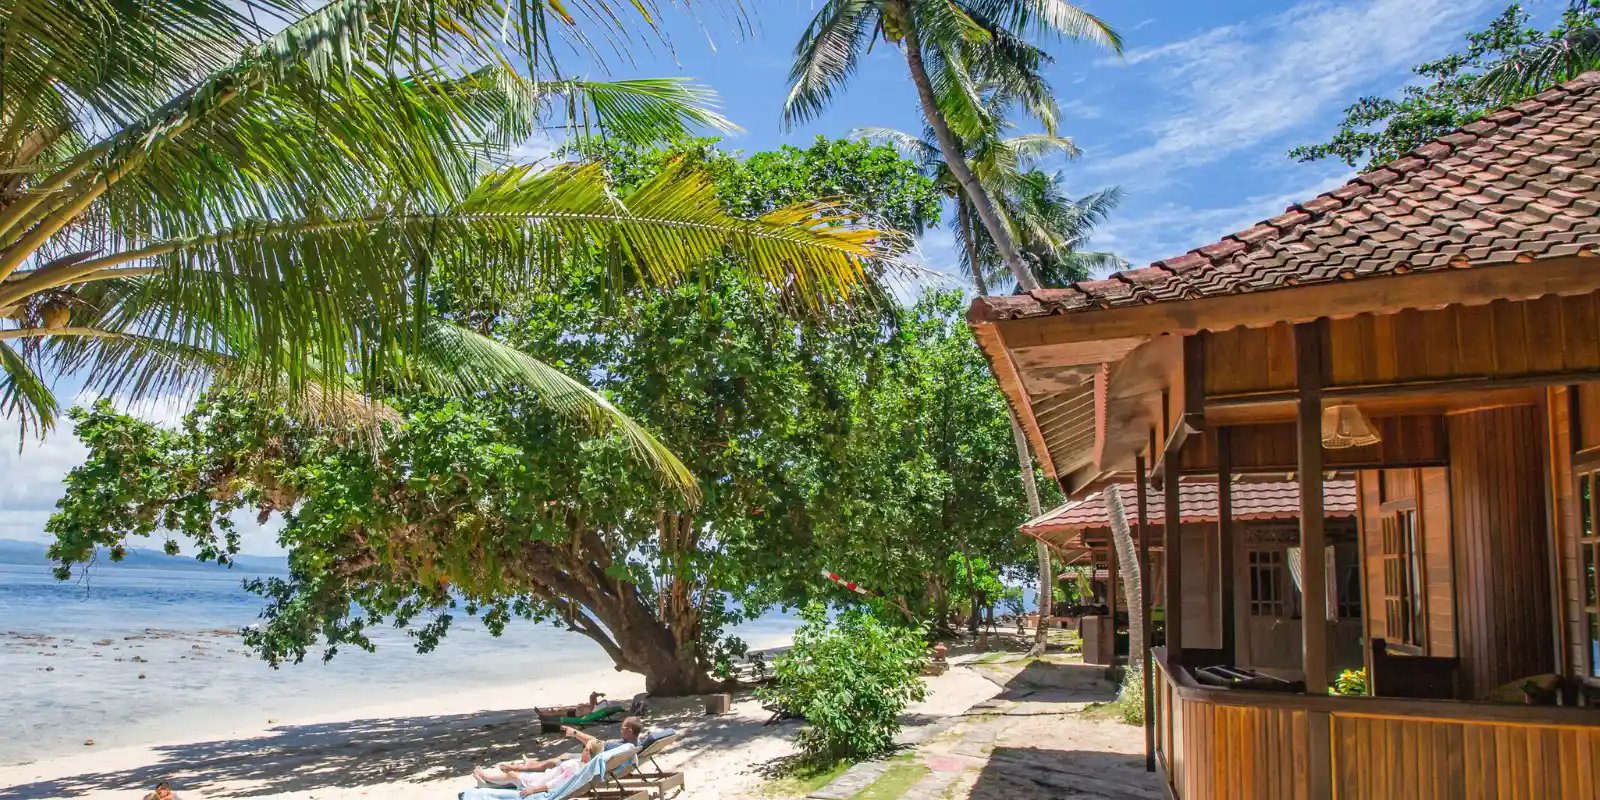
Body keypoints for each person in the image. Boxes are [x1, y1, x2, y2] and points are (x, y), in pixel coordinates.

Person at [461, 739, 603, 800]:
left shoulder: (575, 768)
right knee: (514, 776)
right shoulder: (585, 766)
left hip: (540, 783)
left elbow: (555, 784)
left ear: (588, 753)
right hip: (544, 777)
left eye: (585, 749)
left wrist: (533, 790)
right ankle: (485, 782)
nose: (582, 750)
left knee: (513, 775)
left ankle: (485, 778)